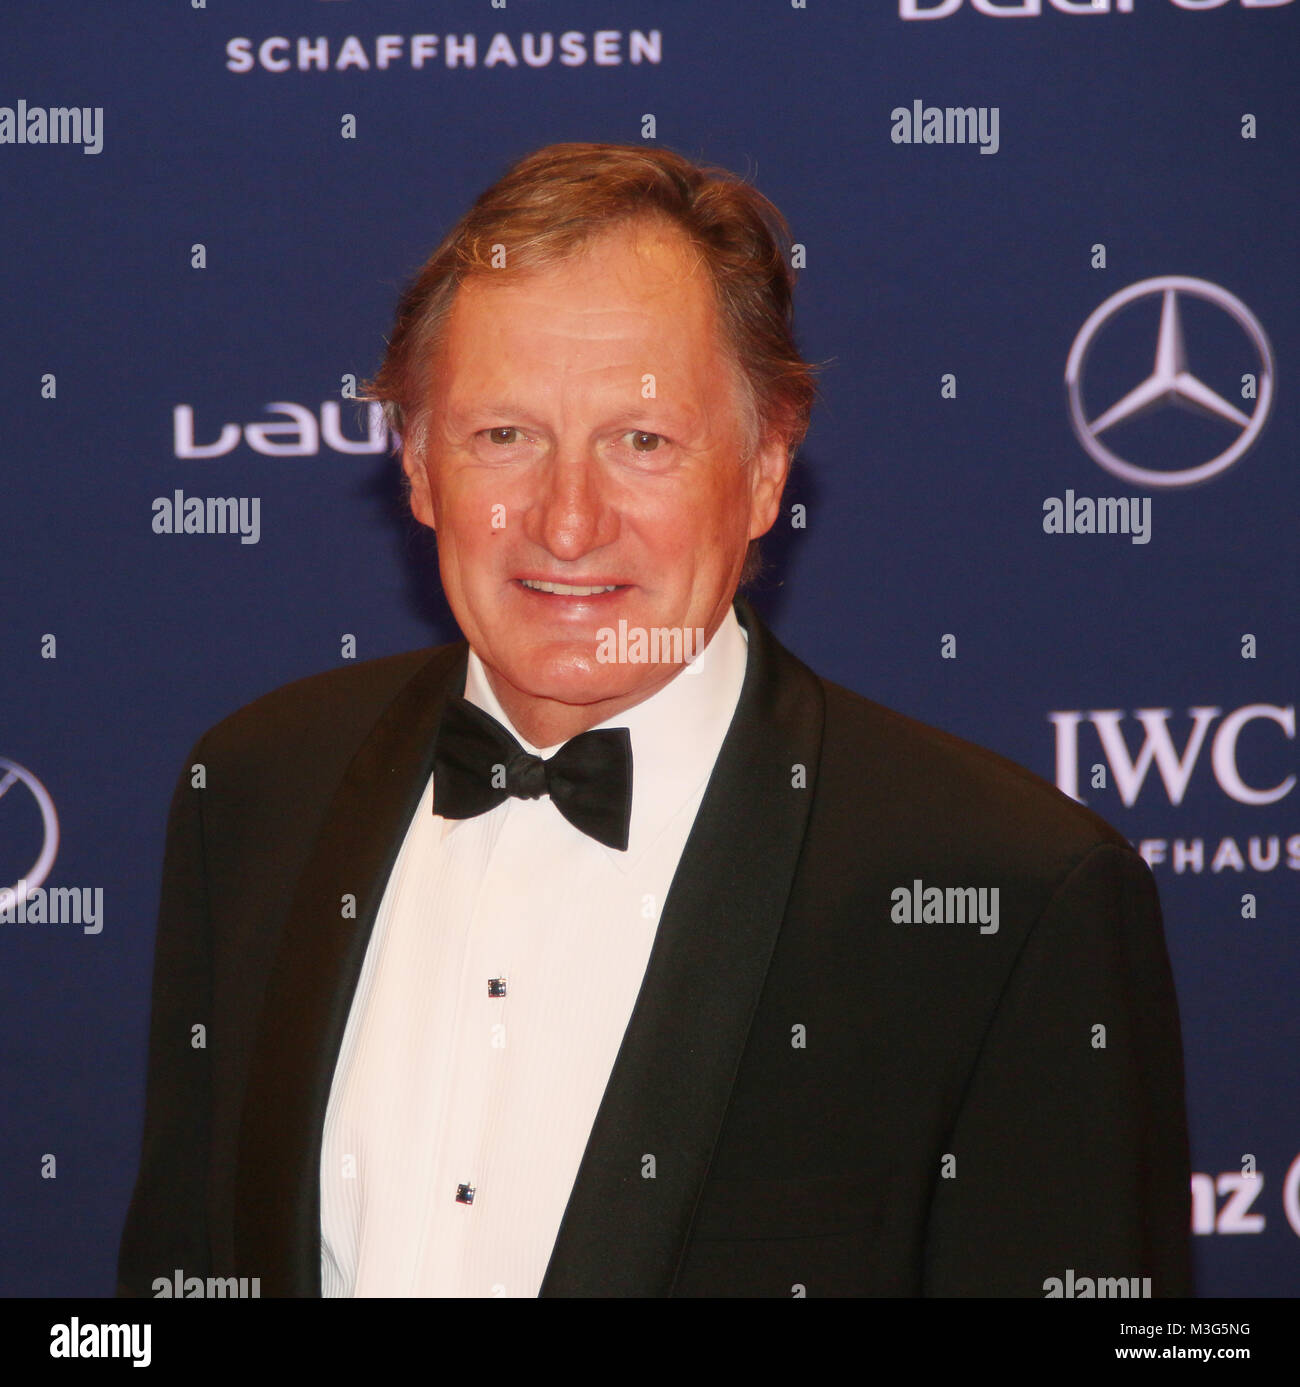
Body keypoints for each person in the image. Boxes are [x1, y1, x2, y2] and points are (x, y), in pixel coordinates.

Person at [118, 141, 1192, 1298]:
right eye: (503, 435)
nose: (567, 523)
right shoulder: (255, 789)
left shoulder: (1011, 896)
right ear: (418, 465)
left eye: (642, 442)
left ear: (767, 469)